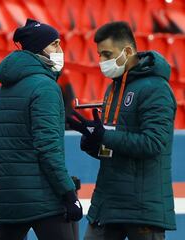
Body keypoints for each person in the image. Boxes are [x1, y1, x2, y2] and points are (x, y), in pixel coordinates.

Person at [67, 21, 177, 240]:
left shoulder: (156, 89)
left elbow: (153, 143)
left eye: (107, 54)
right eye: (99, 55)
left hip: (143, 207)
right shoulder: (113, 89)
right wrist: (94, 144)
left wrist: (105, 136)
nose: (102, 61)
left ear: (127, 50)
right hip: (108, 202)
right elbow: (115, 145)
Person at [0, 18, 83, 240]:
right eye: (54, 44)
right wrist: (68, 192)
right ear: (37, 48)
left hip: (8, 199)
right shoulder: (45, 87)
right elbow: (48, 148)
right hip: (44, 200)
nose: (60, 50)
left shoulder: (4, 88)